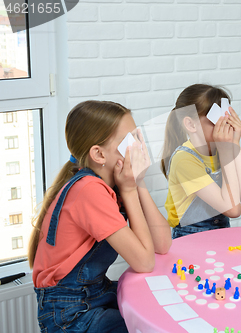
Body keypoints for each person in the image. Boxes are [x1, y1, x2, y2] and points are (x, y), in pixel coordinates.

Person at [28, 100, 172, 332]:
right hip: (70, 311)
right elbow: (144, 262)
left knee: (159, 305)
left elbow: (162, 244)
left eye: (138, 137)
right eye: (128, 140)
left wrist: (139, 182)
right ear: (98, 154)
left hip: (95, 293)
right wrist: (129, 189)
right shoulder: (89, 190)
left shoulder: (109, 184)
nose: (138, 147)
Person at [161, 84, 241, 238]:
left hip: (220, 235)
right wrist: (227, 151)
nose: (226, 126)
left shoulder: (221, 150)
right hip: (190, 238)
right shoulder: (184, 160)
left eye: (227, 118)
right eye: (217, 121)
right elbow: (233, 210)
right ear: (191, 124)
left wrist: (234, 145)